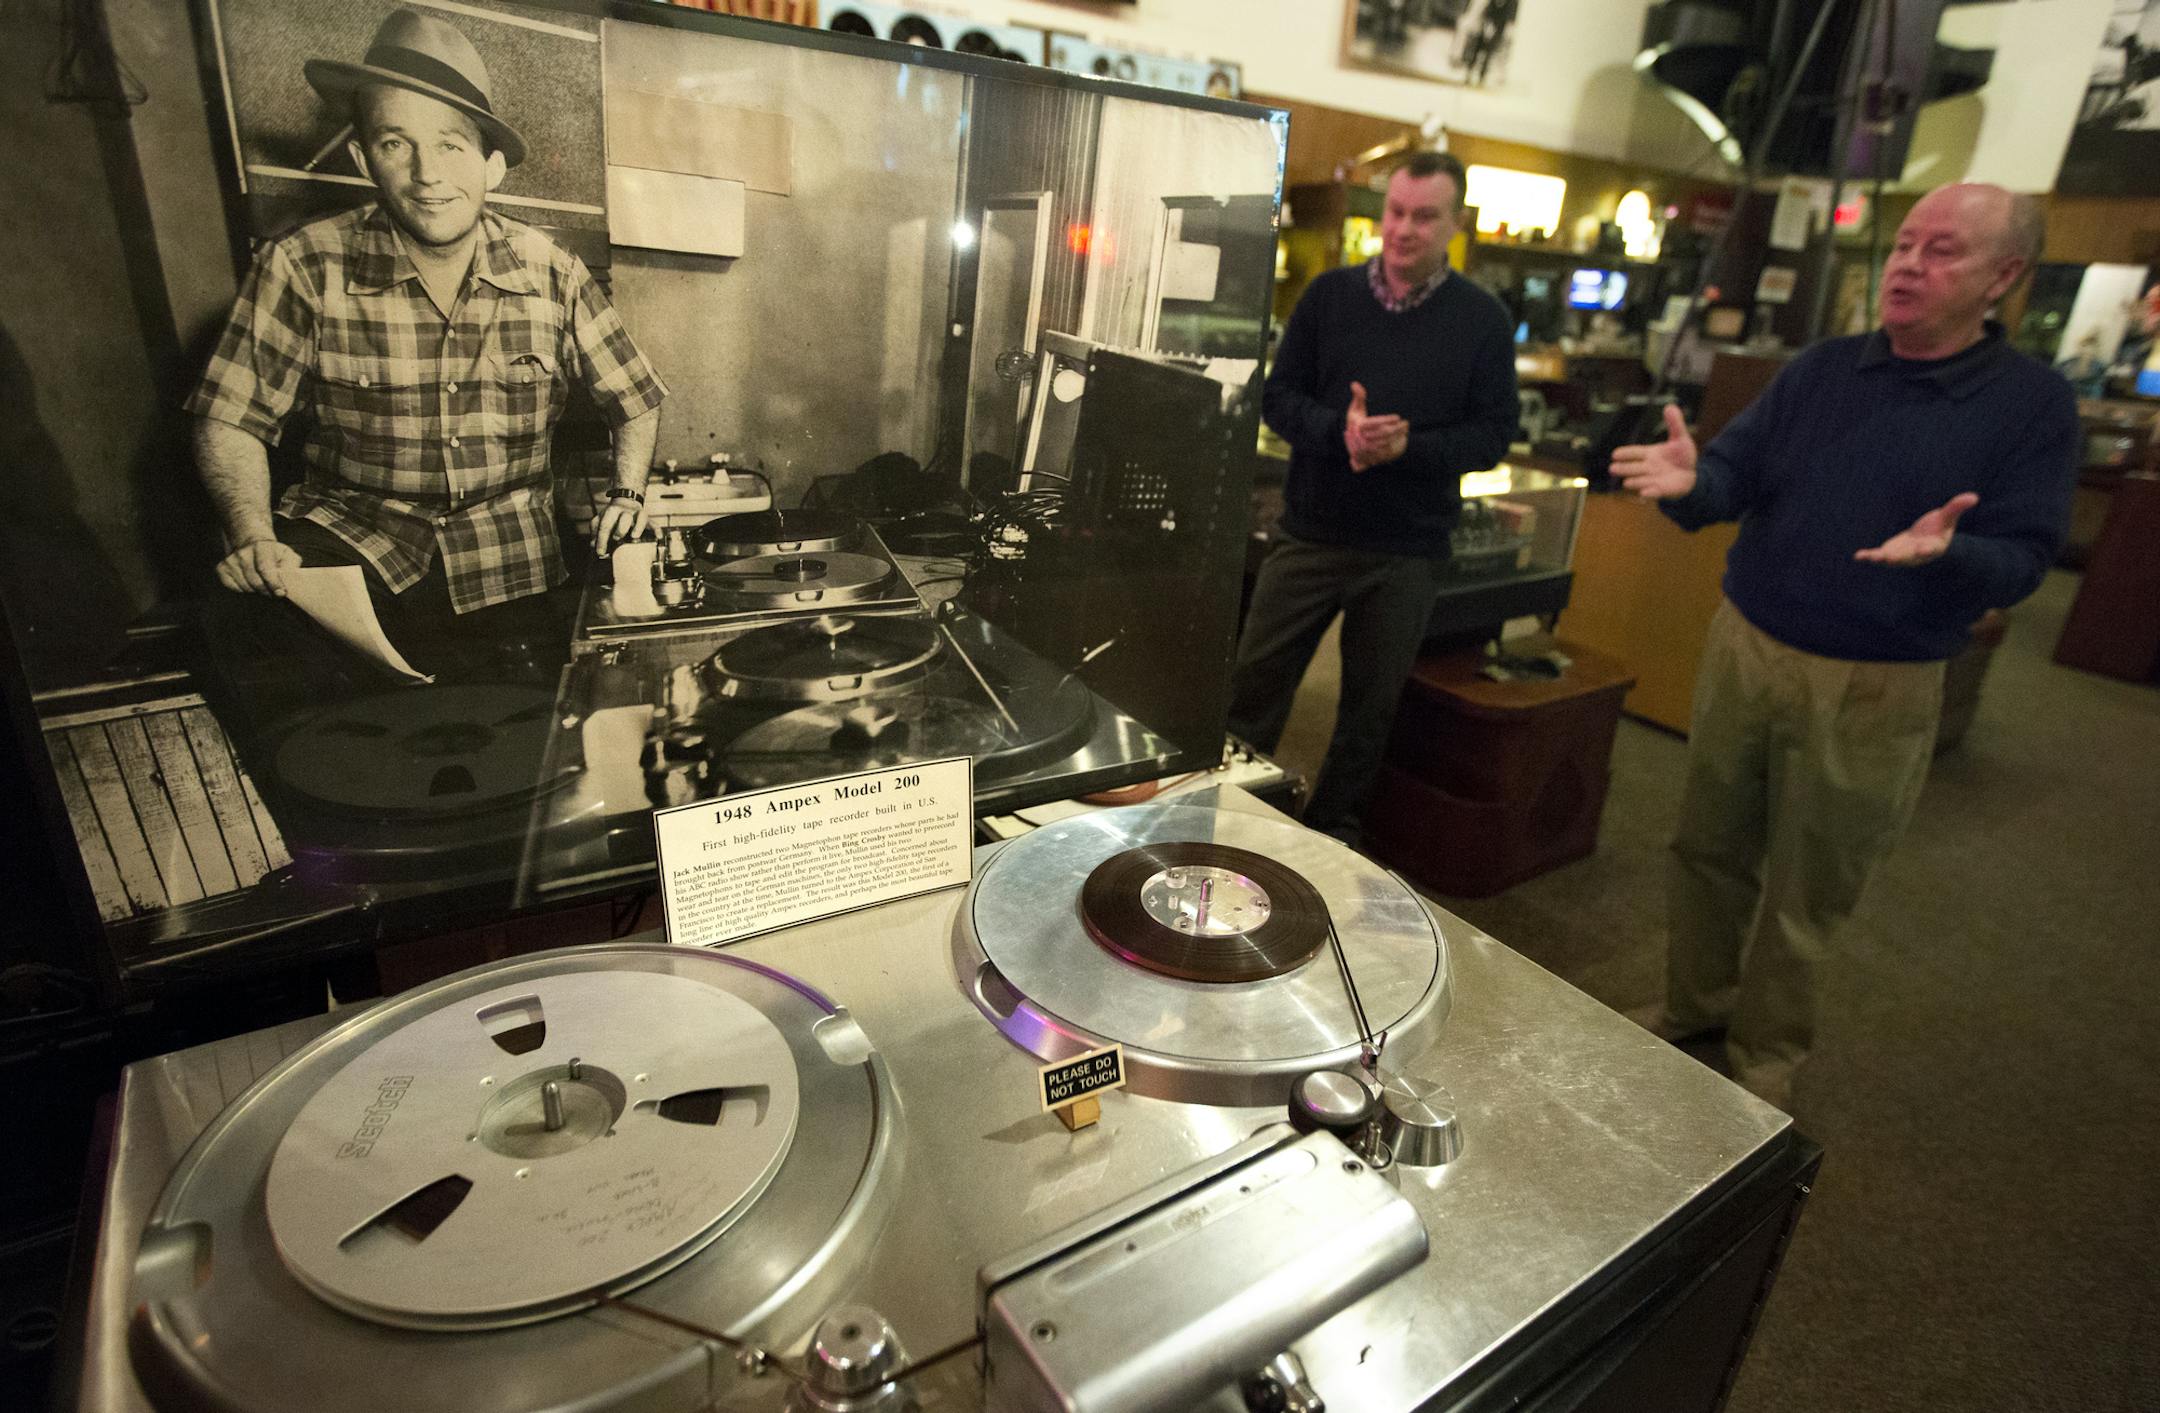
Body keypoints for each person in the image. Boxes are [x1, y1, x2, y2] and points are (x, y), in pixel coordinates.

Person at [1612, 183, 2078, 1109]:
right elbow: (1736, 475)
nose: (1908, 263)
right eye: (1905, 244)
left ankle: (1764, 1056)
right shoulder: (1824, 368)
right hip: (1748, 644)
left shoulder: (2031, 404)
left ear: (2005, 276)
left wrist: (1954, 552)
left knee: (1808, 886)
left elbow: (2026, 560)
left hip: (1880, 678)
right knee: (1705, 846)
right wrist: (1693, 483)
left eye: (1941, 250)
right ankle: (1693, 1005)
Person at [187, 8, 665, 696]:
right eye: (394, 144)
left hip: (512, 567)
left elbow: (637, 396)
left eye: (450, 146)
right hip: (354, 551)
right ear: (361, 158)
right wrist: (253, 536)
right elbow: (227, 417)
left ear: (492, 165)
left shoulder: (553, 271)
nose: (425, 174)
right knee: (245, 630)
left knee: (525, 745)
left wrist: (627, 491)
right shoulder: (301, 264)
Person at [1228, 151, 1517, 843]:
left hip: (1406, 549)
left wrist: (1406, 447)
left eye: (1425, 216)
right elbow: (1276, 399)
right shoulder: (1327, 297)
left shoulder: (1483, 320)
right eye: (1395, 211)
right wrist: (1341, 431)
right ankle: (1224, 813)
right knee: (1253, 687)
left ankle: (1332, 836)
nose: (1405, 229)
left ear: (1455, 223)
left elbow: (1492, 436)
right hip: (1313, 531)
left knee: (1368, 713)